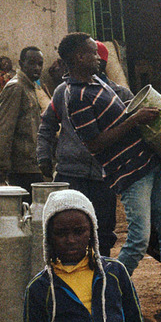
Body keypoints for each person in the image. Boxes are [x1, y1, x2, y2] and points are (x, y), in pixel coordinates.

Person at [60, 32, 161, 322]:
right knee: (138, 240)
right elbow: (94, 144)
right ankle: (102, 299)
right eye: (92, 53)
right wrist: (134, 121)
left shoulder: (97, 83)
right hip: (129, 172)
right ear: (78, 57)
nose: (99, 58)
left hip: (148, 165)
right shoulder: (76, 95)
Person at [24, 189, 152, 322]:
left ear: (92, 231)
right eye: (61, 233)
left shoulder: (114, 273)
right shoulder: (40, 288)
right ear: (48, 237)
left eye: (79, 231)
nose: (70, 240)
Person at [38, 41, 132, 256]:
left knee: (103, 233)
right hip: (71, 174)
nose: (99, 62)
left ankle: (100, 277)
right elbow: (47, 126)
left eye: (102, 60)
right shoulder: (64, 92)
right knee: (66, 235)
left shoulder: (117, 94)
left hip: (103, 176)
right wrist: (44, 157)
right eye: (95, 57)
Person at [0, 46, 46, 200]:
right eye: (32, 63)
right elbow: (5, 129)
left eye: (40, 64)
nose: (37, 68)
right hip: (20, 169)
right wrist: (2, 169)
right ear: (21, 63)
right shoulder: (16, 87)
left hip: (32, 165)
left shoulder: (31, 87)